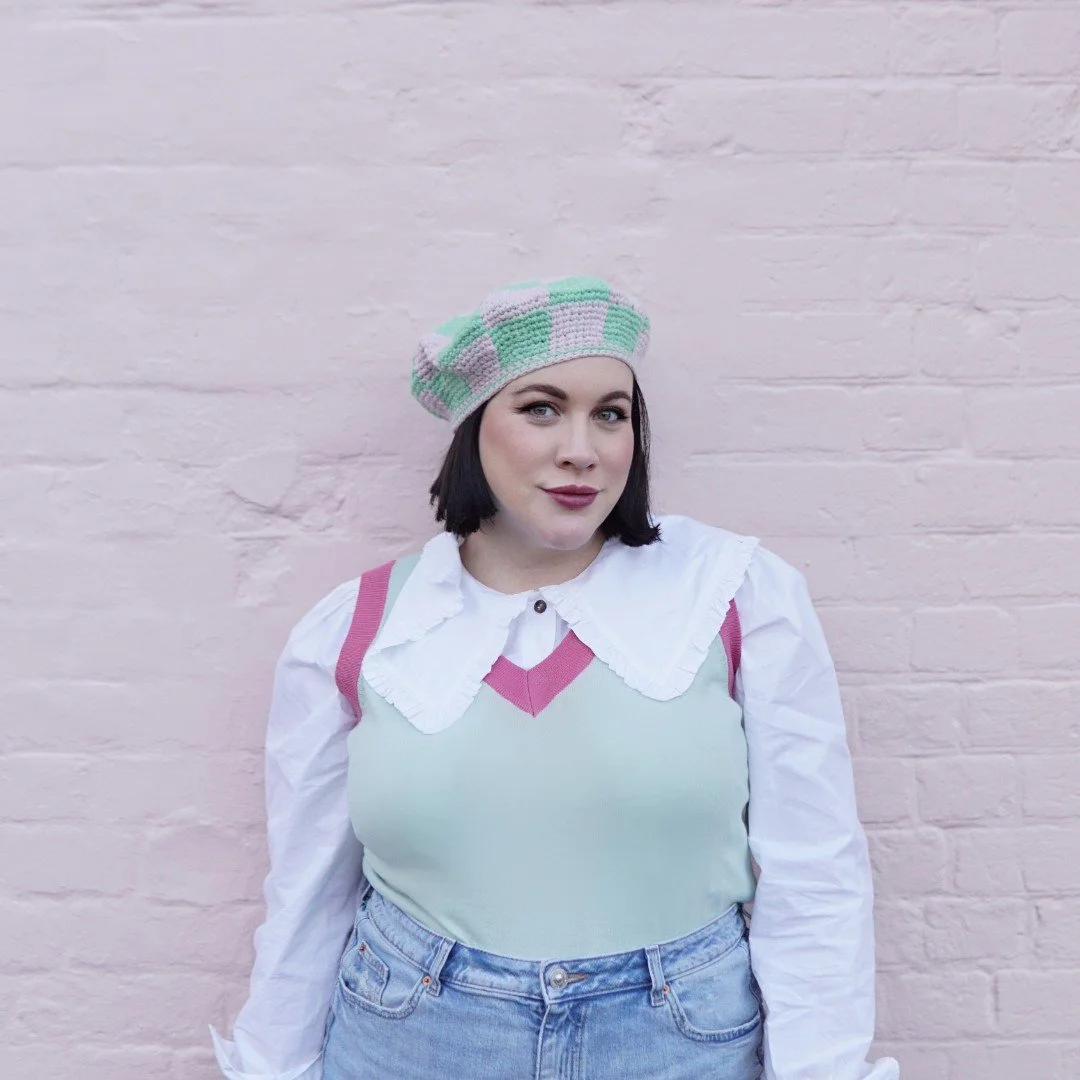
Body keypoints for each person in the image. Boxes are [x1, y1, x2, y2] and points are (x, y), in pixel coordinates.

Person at [209, 276, 900, 1080]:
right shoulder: (358, 629)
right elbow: (308, 897)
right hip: (411, 1039)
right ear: (475, 431)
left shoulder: (736, 594)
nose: (583, 448)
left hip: (680, 1041)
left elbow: (815, 872)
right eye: (541, 408)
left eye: (611, 413)